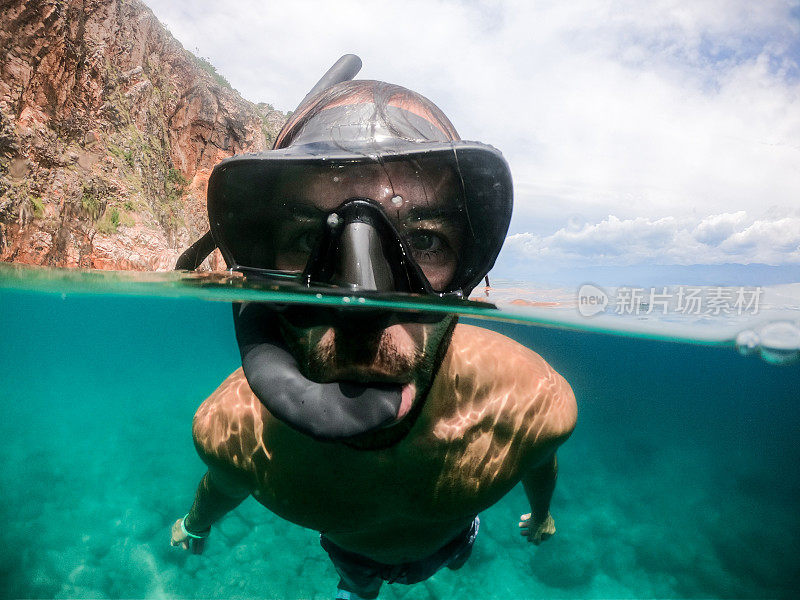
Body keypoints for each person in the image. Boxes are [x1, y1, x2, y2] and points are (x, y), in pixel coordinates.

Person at [170, 62, 577, 600]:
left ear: (471, 274)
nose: (361, 305)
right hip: (353, 554)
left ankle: (454, 548)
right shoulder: (232, 436)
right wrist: (196, 522)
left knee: (455, 554)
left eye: (426, 242)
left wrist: (542, 514)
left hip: (453, 537)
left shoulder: (532, 406)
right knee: (358, 582)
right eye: (305, 236)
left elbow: (538, 461)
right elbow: (220, 486)